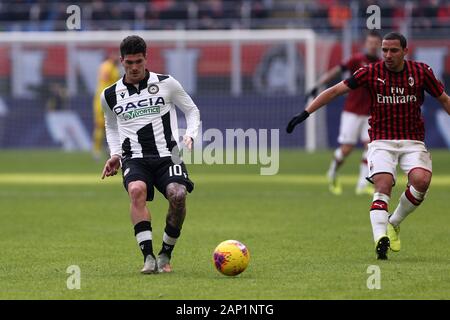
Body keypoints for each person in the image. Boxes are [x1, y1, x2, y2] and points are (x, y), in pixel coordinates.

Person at [287, 32, 450, 260]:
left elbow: (443, 99)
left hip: (413, 141)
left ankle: (393, 222)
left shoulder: (421, 72)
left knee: (421, 182)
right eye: (384, 50)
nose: (387, 55)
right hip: (381, 141)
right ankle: (380, 239)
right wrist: (305, 113)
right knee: (383, 185)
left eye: (393, 50)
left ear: (405, 51)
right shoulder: (371, 72)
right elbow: (335, 90)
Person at [100, 35, 201, 273]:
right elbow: (111, 126)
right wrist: (115, 154)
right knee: (136, 190)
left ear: (146, 58)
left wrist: (191, 134)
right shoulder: (110, 95)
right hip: (134, 157)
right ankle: (148, 257)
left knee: (178, 195)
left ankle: (165, 253)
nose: (134, 67)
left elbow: (192, 110)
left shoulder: (167, 83)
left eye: (139, 62)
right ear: (121, 61)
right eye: (129, 63)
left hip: (169, 155)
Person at [305, 30, 382, 195]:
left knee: (371, 147)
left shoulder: (381, 65)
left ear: (380, 45)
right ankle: (332, 171)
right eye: (370, 42)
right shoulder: (357, 60)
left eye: (376, 43)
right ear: (365, 44)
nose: (373, 45)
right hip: (352, 111)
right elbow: (336, 71)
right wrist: (317, 85)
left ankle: (362, 184)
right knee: (347, 149)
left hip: (370, 113)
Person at [92, 50, 120, 160]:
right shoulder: (107, 66)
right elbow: (105, 78)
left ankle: (110, 149)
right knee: (100, 126)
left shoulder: (113, 67)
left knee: (113, 125)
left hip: (110, 99)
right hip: (103, 99)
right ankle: (97, 150)